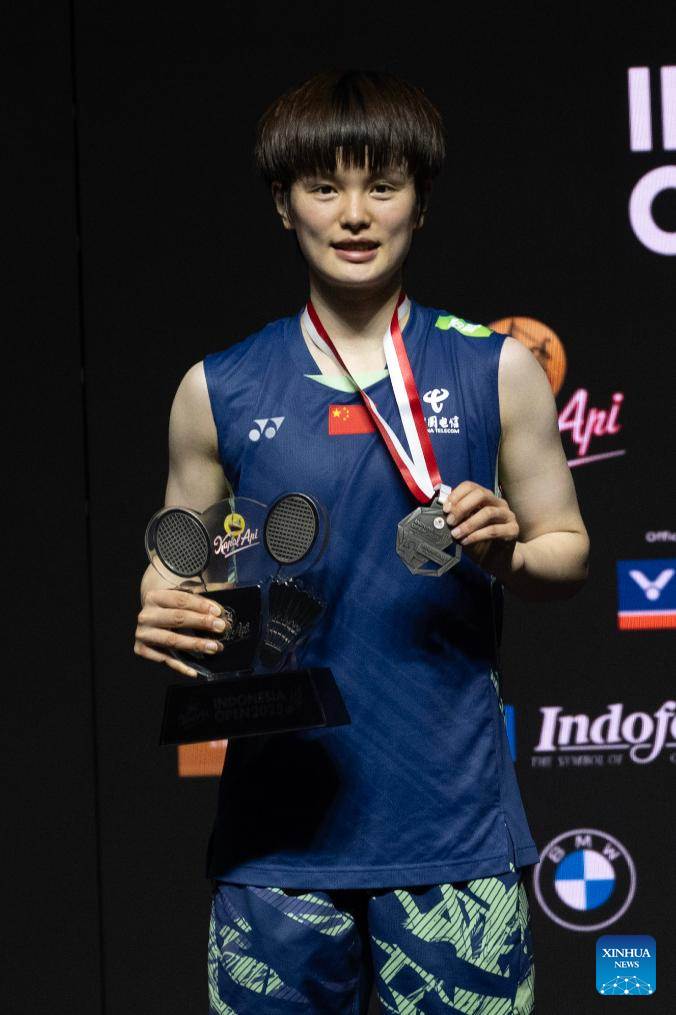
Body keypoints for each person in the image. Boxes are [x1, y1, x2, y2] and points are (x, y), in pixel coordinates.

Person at [134, 70, 589, 1015]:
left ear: (419, 202)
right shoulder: (217, 388)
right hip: (277, 847)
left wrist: (508, 552)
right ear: (283, 202)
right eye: (323, 186)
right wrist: (165, 602)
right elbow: (184, 561)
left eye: (382, 185)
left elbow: (567, 551)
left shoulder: (496, 367)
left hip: (454, 838)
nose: (353, 214)